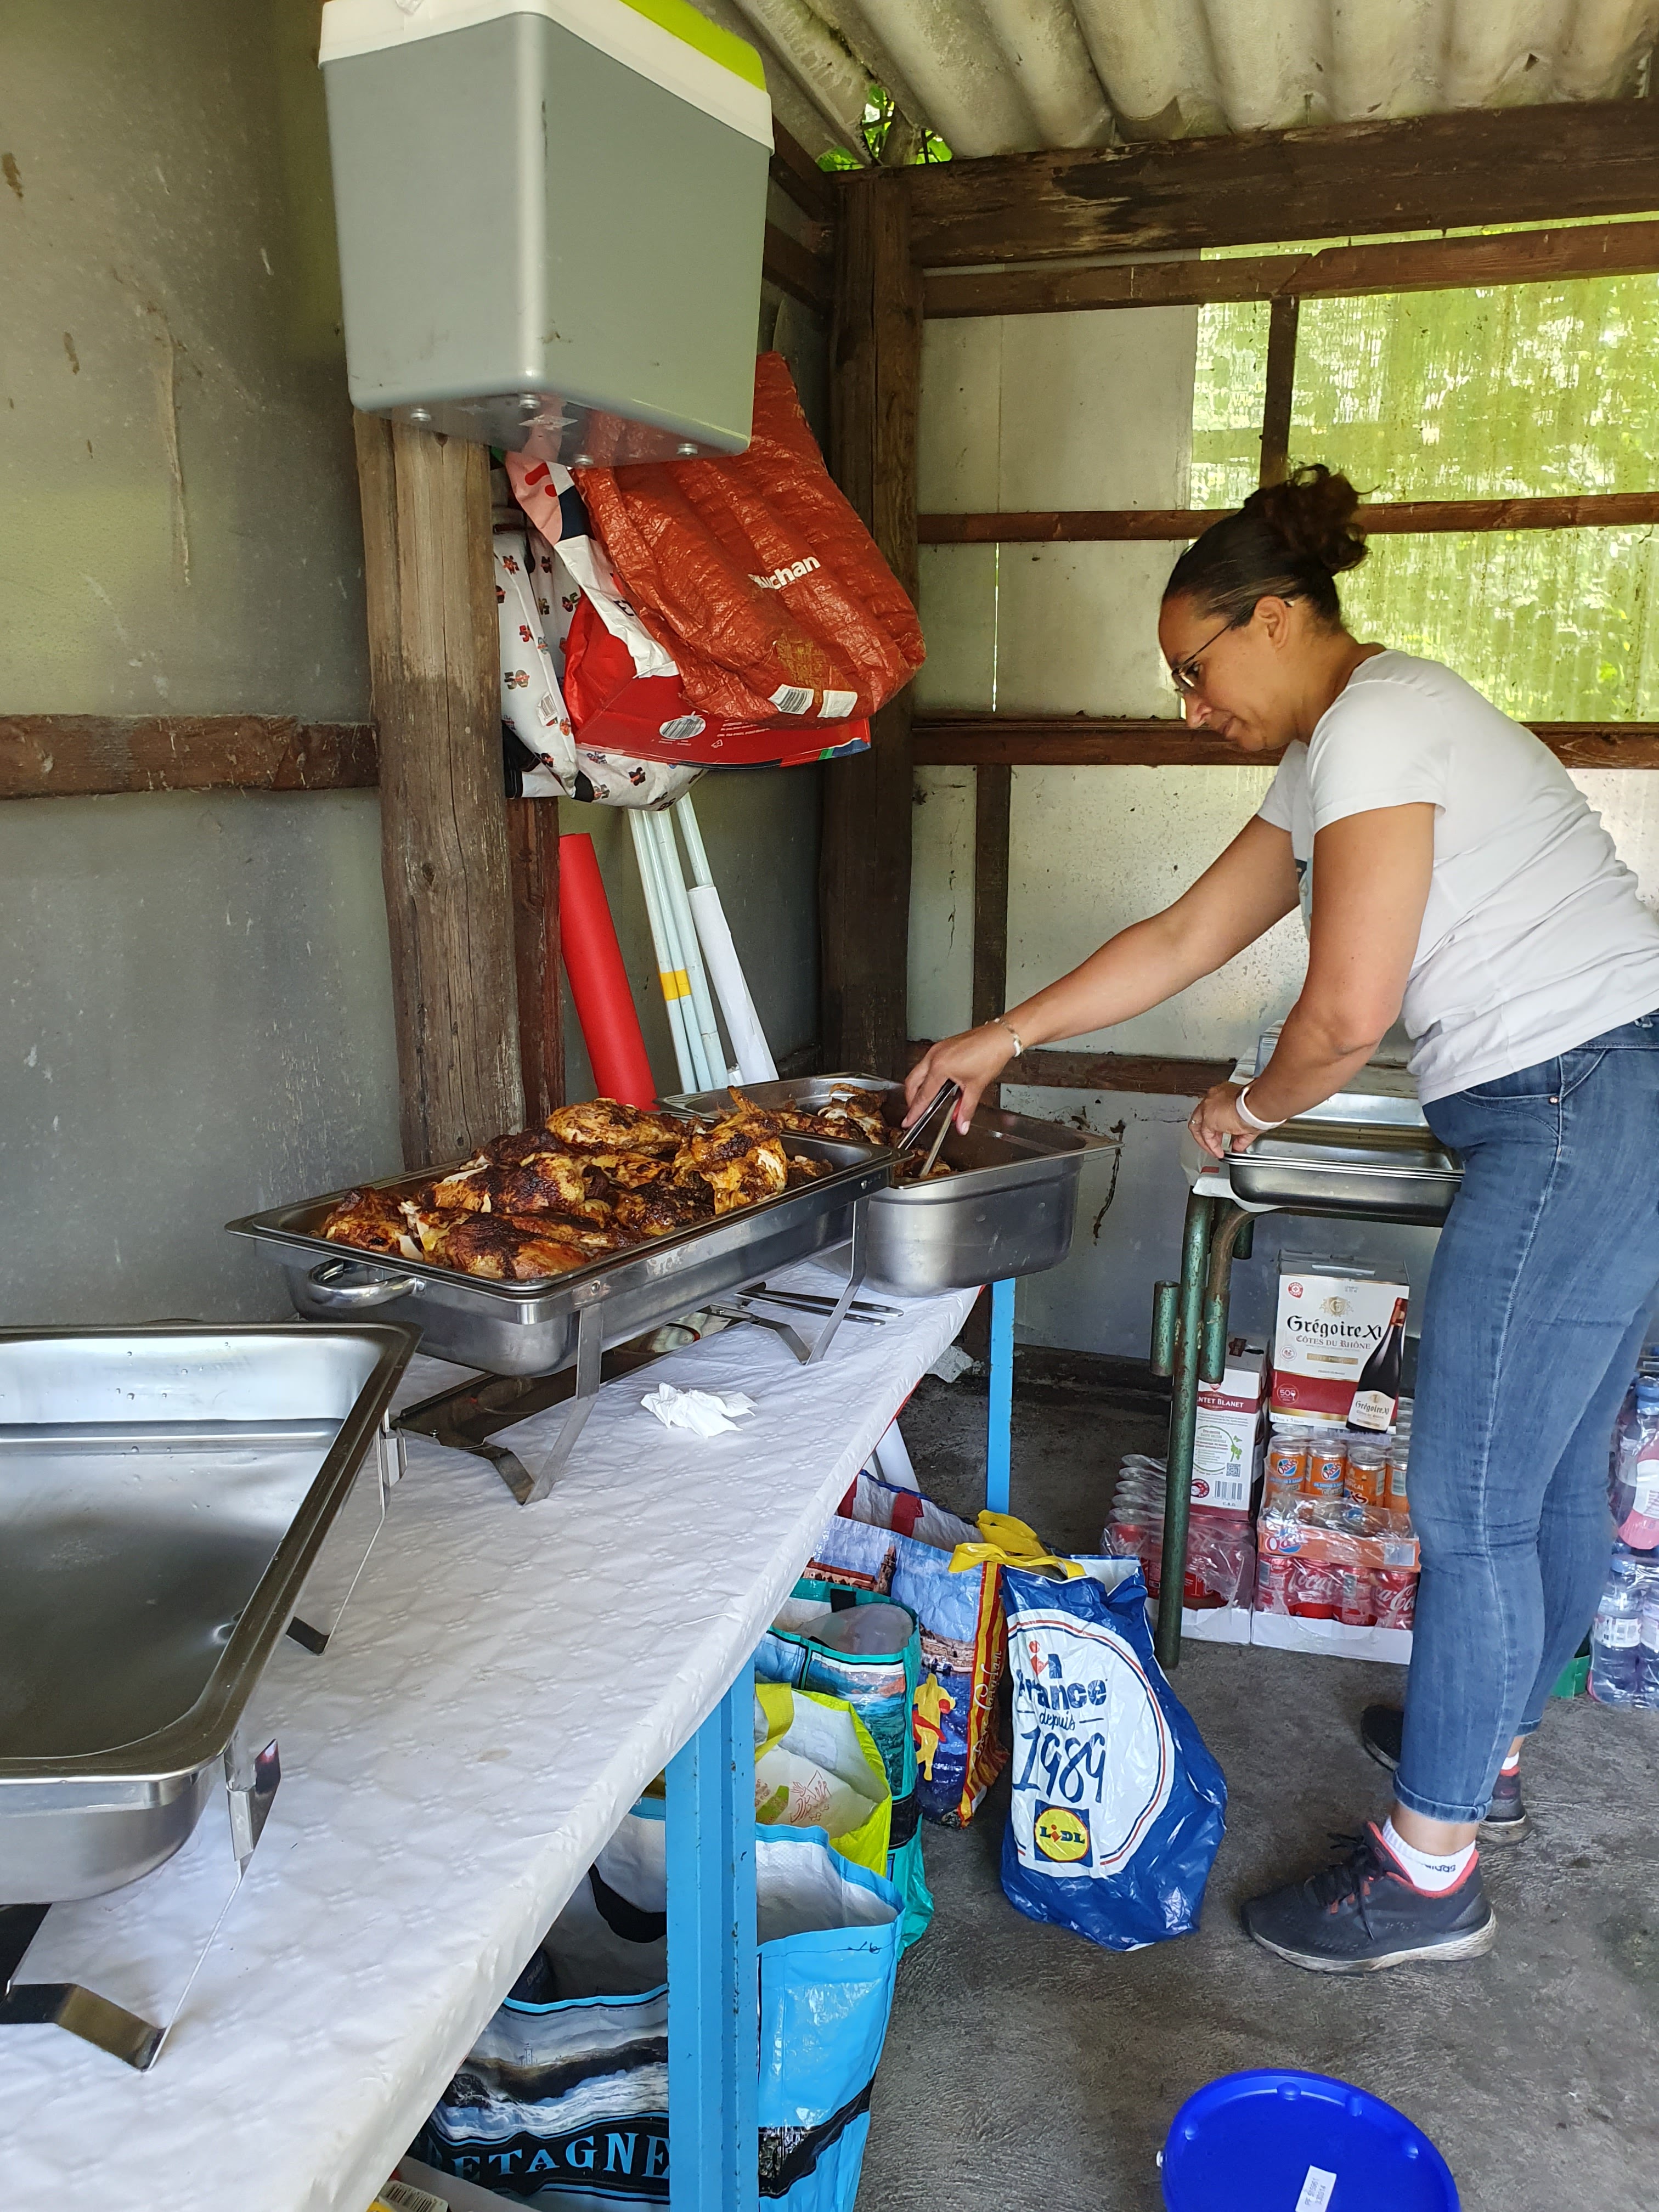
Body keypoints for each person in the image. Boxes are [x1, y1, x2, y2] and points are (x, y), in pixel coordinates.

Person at [906, 466, 1659, 1972]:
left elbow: (1346, 1012)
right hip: (1611, 1093)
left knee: (1473, 1503)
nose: (1190, 707)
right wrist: (1004, 1036)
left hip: (1573, 1104)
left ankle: (1431, 1872)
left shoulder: (1378, 723)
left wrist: (1248, 1113)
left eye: (1195, 669)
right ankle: (1485, 1750)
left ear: (1272, 618)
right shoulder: (1342, 747)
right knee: (1549, 1475)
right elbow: (1191, 930)